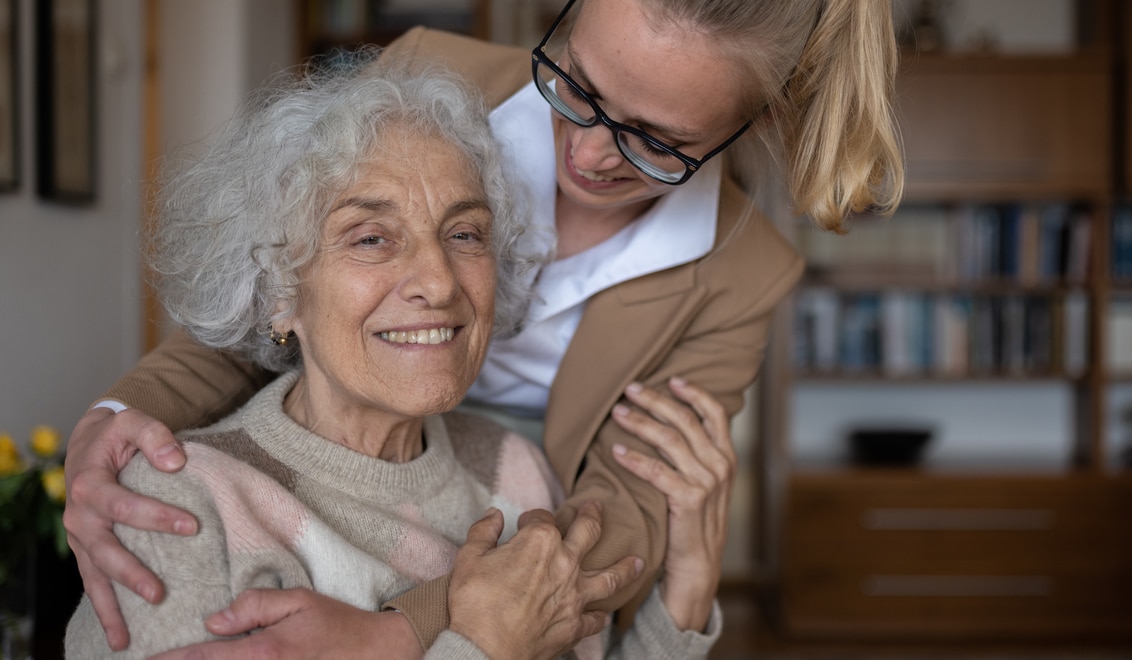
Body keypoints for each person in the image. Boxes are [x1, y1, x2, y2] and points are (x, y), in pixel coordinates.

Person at [64, 0, 903, 655]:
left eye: (654, 142)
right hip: (331, 436)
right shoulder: (429, 73)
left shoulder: (738, 270)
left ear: (744, 129)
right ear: (572, 15)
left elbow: (631, 509)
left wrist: (407, 629)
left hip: (522, 509)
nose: (589, 153)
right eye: (579, 84)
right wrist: (115, 418)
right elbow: (275, 277)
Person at [64, 61, 735, 659]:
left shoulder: (515, 476)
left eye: (464, 233)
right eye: (372, 237)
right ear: (278, 291)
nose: (440, 282)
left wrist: (689, 588)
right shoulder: (180, 504)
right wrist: (481, 644)